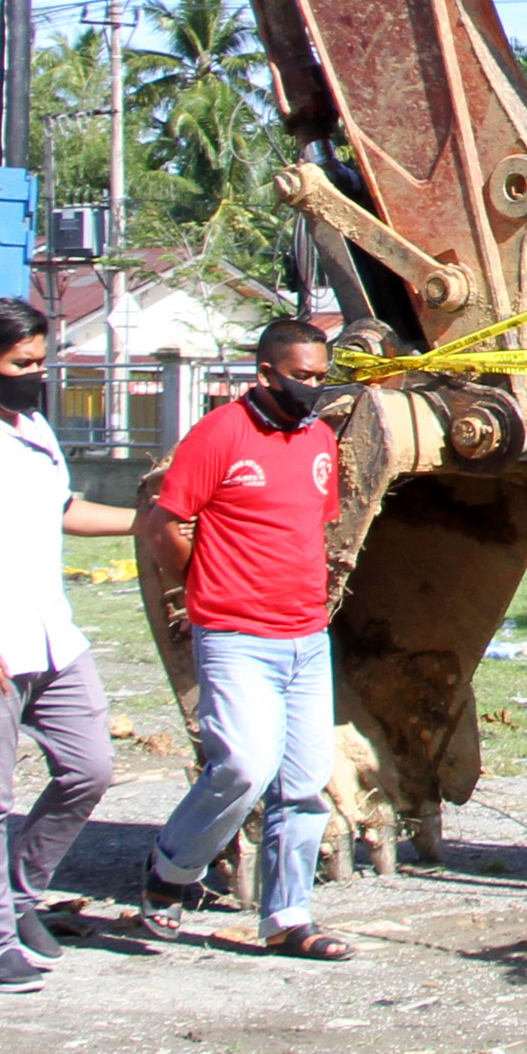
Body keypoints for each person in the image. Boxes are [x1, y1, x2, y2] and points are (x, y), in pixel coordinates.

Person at [0, 296, 134, 992]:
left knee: (90, 768)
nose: (36, 374)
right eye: (22, 364)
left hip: (52, 636)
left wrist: (149, 517)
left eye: (42, 361)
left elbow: (64, 510)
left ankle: (19, 892)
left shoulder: (36, 427)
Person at [138, 316, 354, 961]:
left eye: (322, 377)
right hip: (235, 635)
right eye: (302, 377)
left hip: (306, 637)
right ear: (265, 373)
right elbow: (163, 525)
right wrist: (205, 585)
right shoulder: (219, 435)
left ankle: (288, 918)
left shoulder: (319, 440)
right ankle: (172, 869)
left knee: (304, 784)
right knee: (242, 766)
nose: (313, 388)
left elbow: (312, 526)